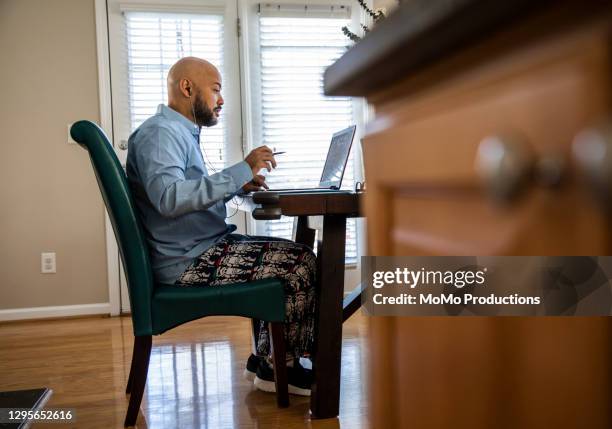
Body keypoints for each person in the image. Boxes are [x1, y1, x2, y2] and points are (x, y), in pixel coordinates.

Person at [126, 57, 316, 396]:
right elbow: (169, 198)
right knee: (300, 262)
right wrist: (241, 169)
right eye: (215, 90)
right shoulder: (160, 133)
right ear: (187, 88)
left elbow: (185, 200)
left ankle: (267, 358)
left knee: (290, 255)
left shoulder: (176, 133)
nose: (221, 100)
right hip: (190, 261)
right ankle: (278, 368)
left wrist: (236, 186)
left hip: (195, 249)